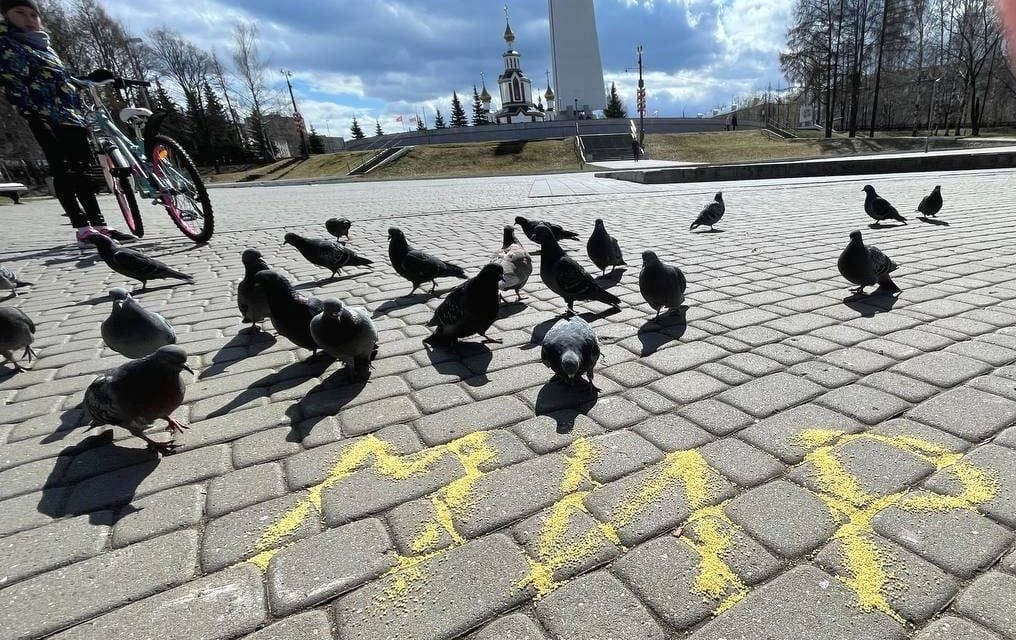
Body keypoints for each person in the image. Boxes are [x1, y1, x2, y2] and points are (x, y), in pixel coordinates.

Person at [0, 0, 133, 245]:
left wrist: (87, 79)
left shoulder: (45, 48)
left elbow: (62, 80)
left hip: (71, 116)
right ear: (6, 16)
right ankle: (82, 228)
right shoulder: (8, 45)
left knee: (82, 171)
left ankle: (100, 225)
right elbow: (12, 82)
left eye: (33, 14)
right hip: (44, 115)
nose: (29, 19)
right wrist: (31, 112)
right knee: (63, 170)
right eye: (20, 13)